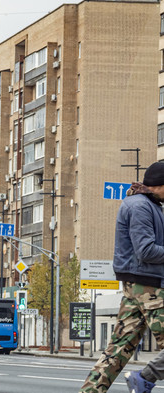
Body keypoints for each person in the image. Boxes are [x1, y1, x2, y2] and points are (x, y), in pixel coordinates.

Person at [78, 162, 164, 393]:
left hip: (139, 284)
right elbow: (145, 251)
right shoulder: (140, 206)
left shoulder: (151, 205)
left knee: (117, 351)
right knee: (117, 350)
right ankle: (144, 378)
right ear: (159, 185)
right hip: (148, 286)